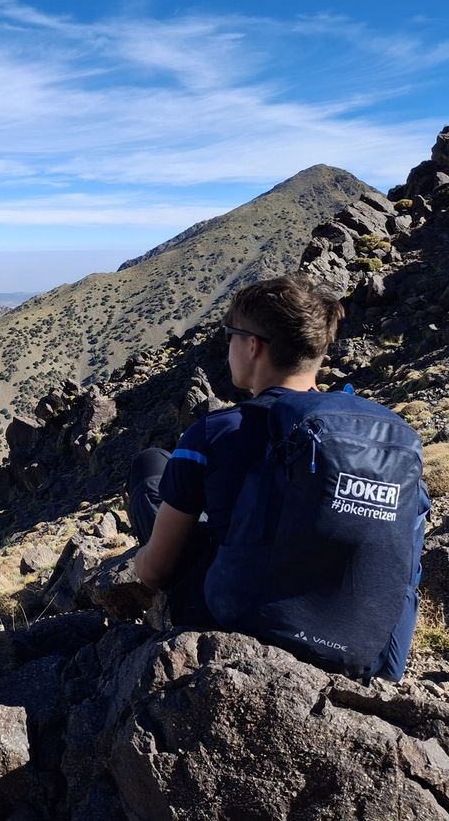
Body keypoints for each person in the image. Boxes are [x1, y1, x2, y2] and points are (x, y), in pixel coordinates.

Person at [126, 274, 423, 679]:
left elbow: (155, 572)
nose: (228, 347)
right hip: (360, 652)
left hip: (238, 629)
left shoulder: (215, 432)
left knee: (150, 468)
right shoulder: (379, 437)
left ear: (252, 345)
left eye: (230, 336)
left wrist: (139, 561)